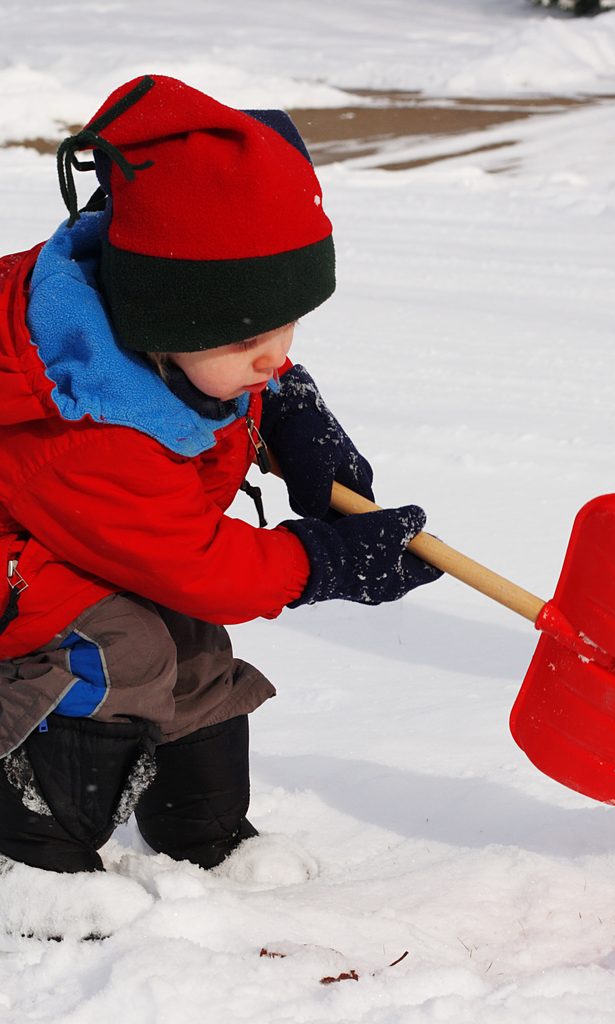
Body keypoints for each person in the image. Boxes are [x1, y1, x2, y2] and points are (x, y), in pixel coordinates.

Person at [0, 75, 441, 935]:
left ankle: (201, 833)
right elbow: (197, 563)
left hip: (69, 530)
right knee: (118, 643)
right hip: (15, 546)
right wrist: (326, 562)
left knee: (190, 639)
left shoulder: (159, 324)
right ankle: (27, 854)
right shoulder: (90, 426)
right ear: (162, 323)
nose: (276, 358)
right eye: (252, 343)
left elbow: (229, 376)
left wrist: (295, 423)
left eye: (291, 332)